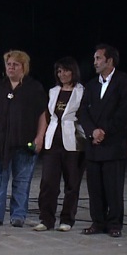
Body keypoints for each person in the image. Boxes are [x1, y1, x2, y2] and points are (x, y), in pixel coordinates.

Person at [0, 50, 48, 228]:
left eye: (15, 65)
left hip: (25, 143)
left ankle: (18, 216)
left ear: (24, 67)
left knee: (22, 181)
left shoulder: (34, 88)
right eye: (8, 64)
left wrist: (39, 137)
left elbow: (42, 115)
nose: (11, 67)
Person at [80, 44, 127, 237]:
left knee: (113, 187)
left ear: (109, 61)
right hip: (93, 144)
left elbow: (124, 112)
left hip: (113, 143)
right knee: (94, 187)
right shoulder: (91, 85)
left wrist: (104, 132)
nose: (95, 62)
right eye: (94, 59)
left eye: (98, 58)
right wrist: (92, 131)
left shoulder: (124, 81)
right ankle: (97, 222)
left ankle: (114, 224)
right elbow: (83, 111)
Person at [36, 57, 86, 232]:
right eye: (59, 71)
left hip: (73, 142)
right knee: (48, 183)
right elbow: (48, 115)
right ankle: (46, 219)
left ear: (73, 71)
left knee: (72, 184)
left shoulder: (81, 92)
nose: (62, 74)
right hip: (53, 142)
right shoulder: (53, 91)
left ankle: (67, 219)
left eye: (65, 70)